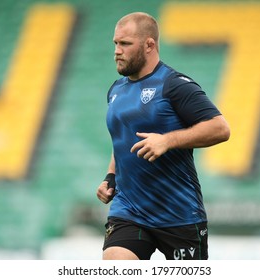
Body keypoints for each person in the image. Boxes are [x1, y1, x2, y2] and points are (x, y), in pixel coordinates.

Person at [96, 12, 230, 260]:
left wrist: (167, 140)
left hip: (179, 214)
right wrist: (110, 177)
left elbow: (220, 128)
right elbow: (122, 140)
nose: (117, 50)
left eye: (125, 44)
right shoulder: (116, 90)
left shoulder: (175, 85)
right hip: (129, 211)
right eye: (115, 43)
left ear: (149, 45)